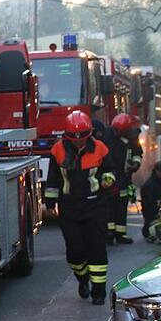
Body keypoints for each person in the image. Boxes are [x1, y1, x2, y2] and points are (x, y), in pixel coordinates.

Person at [44, 110, 117, 305]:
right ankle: (82, 278)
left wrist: (108, 180)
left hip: (95, 205)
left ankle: (99, 291)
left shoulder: (100, 148)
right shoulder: (58, 151)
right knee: (74, 251)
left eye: (83, 137)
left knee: (97, 248)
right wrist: (49, 203)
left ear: (89, 133)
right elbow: (52, 180)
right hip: (69, 207)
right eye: (75, 138)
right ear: (67, 136)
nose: (79, 141)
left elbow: (109, 170)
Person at [103, 113, 142, 245]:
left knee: (121, 205)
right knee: (108, 205)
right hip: (108, 176)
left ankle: (120, 234)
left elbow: (138, 153)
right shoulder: (105, 135)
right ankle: (108, 233)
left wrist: (135, 164)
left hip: (124, 176)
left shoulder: (131, 136)